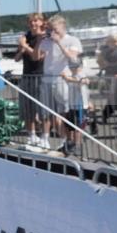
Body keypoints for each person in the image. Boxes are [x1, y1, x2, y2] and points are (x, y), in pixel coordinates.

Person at [37, 15, 82, 150]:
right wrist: (39, 40)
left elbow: (72, 57)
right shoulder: (47, 41)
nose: (53, 32)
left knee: (67, 113)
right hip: (47, 79)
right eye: (50, 29)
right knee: (50, 113)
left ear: (62, 27)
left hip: (64, 80)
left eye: (55, 29)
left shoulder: (72, 40)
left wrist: (59, 42)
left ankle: (73, 142)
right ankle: (65, 140)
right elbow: (37, 57)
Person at [14, 13, 46, 146]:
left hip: (41, 76)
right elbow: (16, 58)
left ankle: (45, 137)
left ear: (41, 22)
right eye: (31, 21)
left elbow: (36, 57)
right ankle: (31, 135)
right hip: (26, 75)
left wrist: (25, 46)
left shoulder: (44, 37)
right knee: (27, 108)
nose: (33, 24)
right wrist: (22, 48)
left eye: (36, 21)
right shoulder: (26, 37)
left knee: (43, 109)